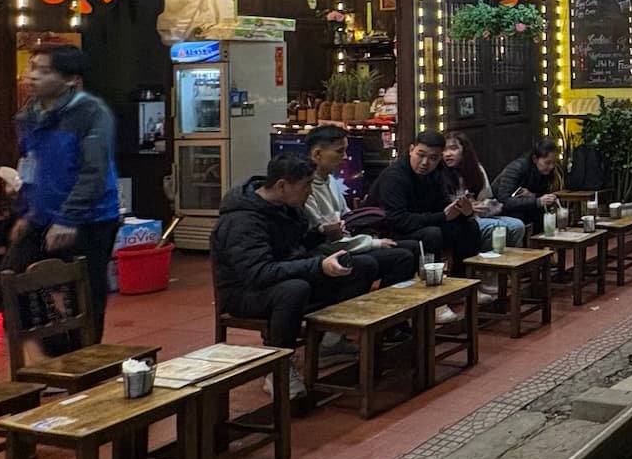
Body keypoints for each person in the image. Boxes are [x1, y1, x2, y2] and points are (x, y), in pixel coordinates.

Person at [212, 153, 413, 401]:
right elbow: (258, 272)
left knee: (361, 265)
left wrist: (320, 234)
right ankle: (279, 367)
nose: (309, 191)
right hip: (246, 293)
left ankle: (332, 341)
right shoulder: (242, 220)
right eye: (306, 185)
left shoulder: (287, 206)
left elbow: (296, 245)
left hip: (287, 273)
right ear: (282, 186)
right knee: (293, 290)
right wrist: (318, 266)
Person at [5, 44, 122, 346]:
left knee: (84, 297)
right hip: (42, 218)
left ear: (70, 79)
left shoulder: (92, 113)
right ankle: (59, 352)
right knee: (11, 283)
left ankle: (85, 366)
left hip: (91, 219)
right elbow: (30, 167)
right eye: (32, 68)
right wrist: (27, 213)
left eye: (44, 71)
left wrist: (68, 219)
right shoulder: (27, 116)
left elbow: (93, 173)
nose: (32, 77)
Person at [370, 131, 487, 270]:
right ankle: (429, 280)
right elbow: (397, 220)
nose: (425, 163)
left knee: (469, 227)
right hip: (388, 230)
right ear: (411, 150)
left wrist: (464, 212)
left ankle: (462, 280)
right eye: (420, 155)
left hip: (420, 223)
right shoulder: (394, 176)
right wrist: (443, 216)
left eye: (433, 158)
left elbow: (443, 207)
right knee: (432, 234)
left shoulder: (435, 174)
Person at [443, 133, 525, 247]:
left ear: (464, 150)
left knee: (517, 225)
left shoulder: (476, 169)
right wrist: (467, 207)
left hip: (478, 215)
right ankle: (485, 262)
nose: (447, 154)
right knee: (496, 227)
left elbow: (487, 198)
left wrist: (483, 204)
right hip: (459, 219)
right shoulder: (440, 173)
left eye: (453, 148)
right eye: (444, 150)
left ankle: (512, 261)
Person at [493, 137, 565, 227]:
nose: (551, 167)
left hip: (525, 206)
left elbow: (542, 194)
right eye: (547, 163)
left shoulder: (546, 172)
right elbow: (503, 200)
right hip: (500, 209)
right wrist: (537, 201)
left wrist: (534, 196)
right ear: (535, 159)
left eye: (554, 163)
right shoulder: (516, 169)